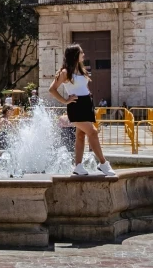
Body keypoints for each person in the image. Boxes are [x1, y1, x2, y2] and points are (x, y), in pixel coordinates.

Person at [47, 43, 114, 178]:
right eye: (81, 52)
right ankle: (103, 163)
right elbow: (52, 89)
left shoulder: (81, 69)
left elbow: (83, 87)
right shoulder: (65, 72)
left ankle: (78, 166)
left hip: (86, 104)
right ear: (75, 55)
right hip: (76, 106)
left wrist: (89, 97)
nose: (83, 54)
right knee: (93, 132)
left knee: (81, 136)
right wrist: (65, 101)